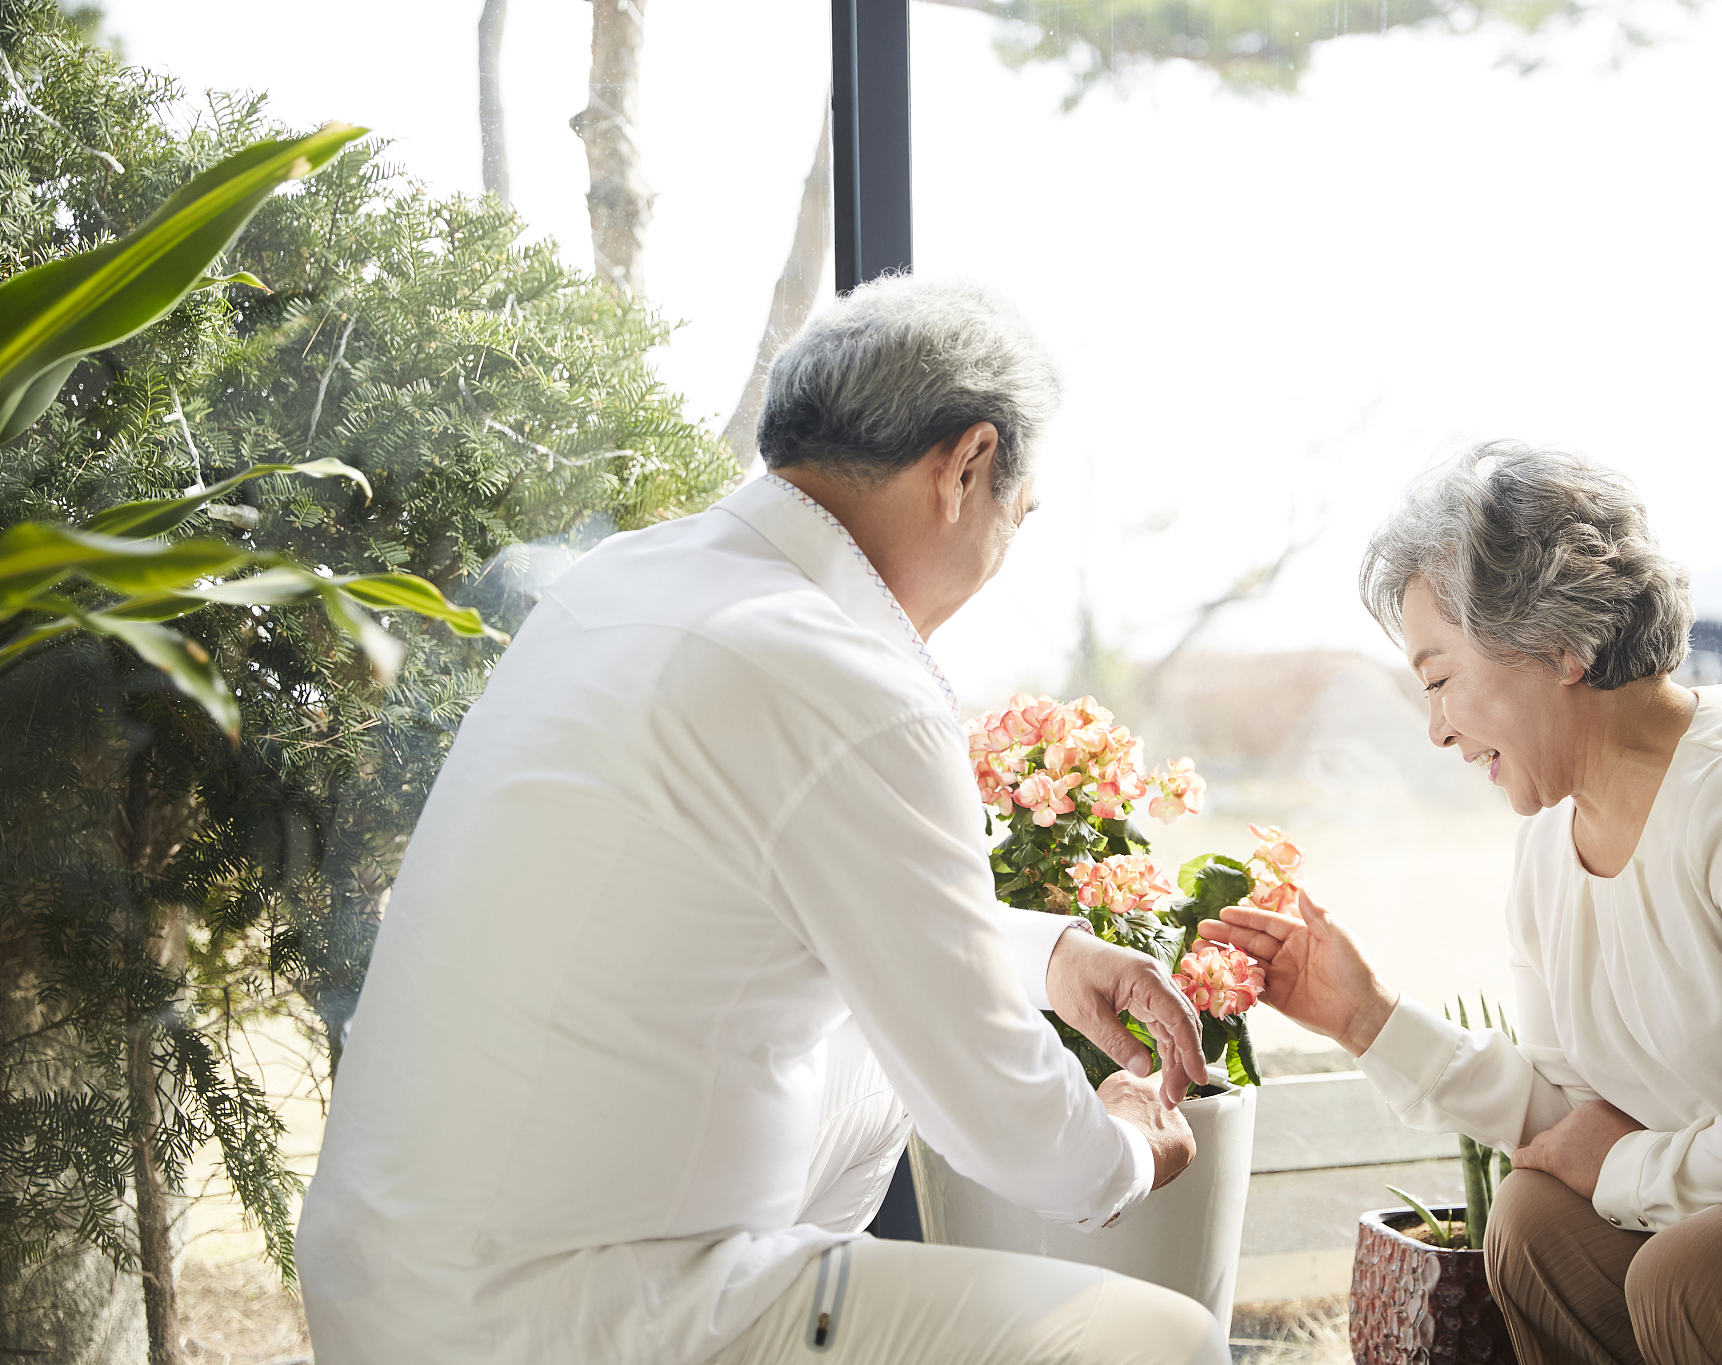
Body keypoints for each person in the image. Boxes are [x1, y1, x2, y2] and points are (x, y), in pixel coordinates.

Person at [298, 276, 1230, 1365]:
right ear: (966, 465)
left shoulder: (618, 584)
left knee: (865, 1044)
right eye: (1014, 520)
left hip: (395, 1289)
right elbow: (1012, 1128)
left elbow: (772, 906)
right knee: (1154, 1343)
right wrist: (1126, 1148)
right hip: (570, 1319)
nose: (1001, 554)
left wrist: (1050, 955)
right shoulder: (843, 674)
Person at [1201, 443, 1722, 1364]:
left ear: (1557, 644)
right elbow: (1572, 1116)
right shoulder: (1547, 843)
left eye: (1440, 679)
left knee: (1701, 1272)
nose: (1437, 728)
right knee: (1537, 1219)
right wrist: (1363, 1017)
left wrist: (1624, 1167)